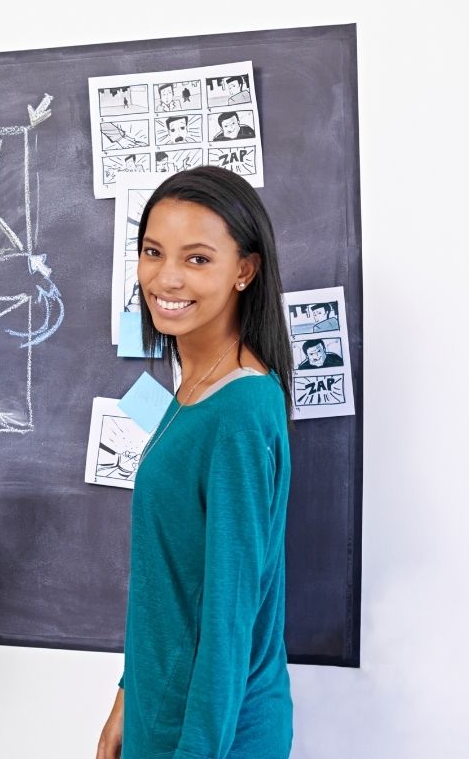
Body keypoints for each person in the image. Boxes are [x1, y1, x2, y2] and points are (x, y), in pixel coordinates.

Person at [96, 166, 294, 759]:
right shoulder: (189, 391)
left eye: (198, 259)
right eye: (153, 252)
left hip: (212, 732)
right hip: (163, 712)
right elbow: (169, 583)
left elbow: (230, 613)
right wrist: (129, 697)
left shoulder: (241, 408)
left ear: (245, 271)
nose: (168, 277)